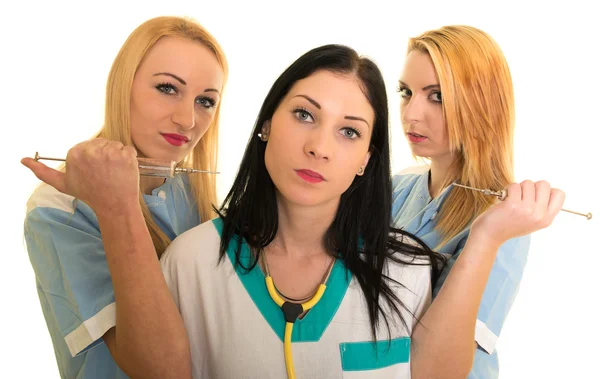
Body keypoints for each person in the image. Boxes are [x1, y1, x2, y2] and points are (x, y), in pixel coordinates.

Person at [158, 44, 563, 378]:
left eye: (349, 131)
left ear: (366, 158)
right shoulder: (189, 261)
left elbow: (443, 367)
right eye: (304, 114)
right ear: (265, 123)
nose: (320, 147)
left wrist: (486, 236)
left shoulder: (419, 262)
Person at [21, 15, 228, 379]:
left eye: (205, 101)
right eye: (167, 88)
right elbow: (158, 369)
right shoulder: (56, 208)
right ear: (122, 85)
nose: (187, 120)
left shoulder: (197, 195)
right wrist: (117, 205)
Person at [392, 25, 534, 377]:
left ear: (481, 102)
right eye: (406, 92)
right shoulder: (394, 189)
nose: (411, 113)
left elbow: (441, 370)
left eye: (436, 96)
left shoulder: (505, 222)